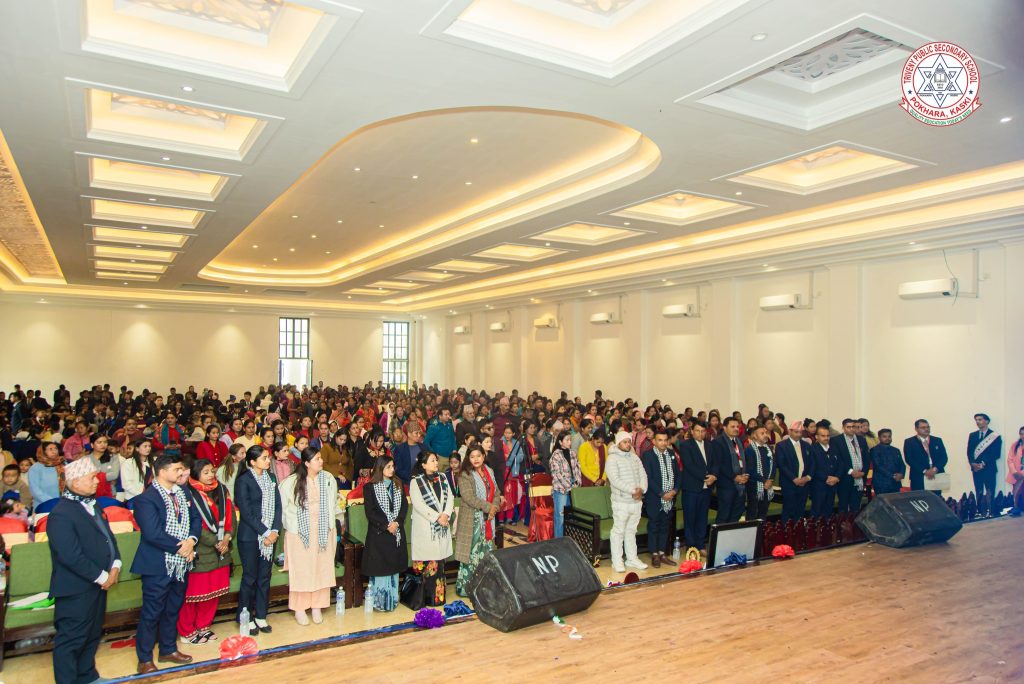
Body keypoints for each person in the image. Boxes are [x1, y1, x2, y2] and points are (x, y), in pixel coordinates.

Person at [47, 457, 121, 684]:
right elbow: (70, 555)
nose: (97, 482)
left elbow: (109, 539)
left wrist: (116, 565)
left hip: (99, 584)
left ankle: (87, 677)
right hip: (76, 588)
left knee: (91, 635)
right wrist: (102, 577)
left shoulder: (94, 504)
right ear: (75, 481)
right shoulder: (61, 513)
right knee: (71, 641)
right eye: (91, 478)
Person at [131, 454, 200, 674]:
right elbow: (152, 533)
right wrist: (183, 548)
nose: (182, 472)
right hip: (158, 564)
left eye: (182, 468)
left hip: (180, 564)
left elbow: (196, 519)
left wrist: (191, 540)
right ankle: (144, 658)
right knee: (152, 612)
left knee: (173, 609)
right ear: (162, 471)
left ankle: (168, 649)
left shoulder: (183, 493)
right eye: (177, 469)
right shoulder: (146, 499)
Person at [280, 446, 339, 625]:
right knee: (302, 569)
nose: (321, 461)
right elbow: (285, 509)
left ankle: (317, 606)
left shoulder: (328, 479)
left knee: (322, 567)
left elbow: (332, 504)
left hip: (322, 530)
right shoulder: (291, 482)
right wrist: (294, 527)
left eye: (321, 458)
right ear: (306, 463)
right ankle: (299, 608)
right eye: (317, 459)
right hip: (300, 533)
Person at [178, 458, 233, 645]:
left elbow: (230, 517)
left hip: (221, 549)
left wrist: (226, 538)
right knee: (193, 594)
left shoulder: (221, 490)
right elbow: (192, 524)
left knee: (213, 593)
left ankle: (203, 626)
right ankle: (187, 630)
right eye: (206, 472)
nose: (211, 475)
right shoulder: (188, 493)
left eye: (212, 471)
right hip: (200, 550)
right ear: (195, 474)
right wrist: (216, 542)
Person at [234, 445, 281, 635]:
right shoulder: (243, 481)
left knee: (264, 577)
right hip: (250, 537)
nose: (268, 461)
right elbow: (246, 512)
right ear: (252, 462)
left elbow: (278, 506)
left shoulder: (270, 478)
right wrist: (265, 532)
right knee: (250, 578)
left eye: (268, 457)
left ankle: (261, 615)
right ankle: (245, 616)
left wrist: (275, 530)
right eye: (264, 458)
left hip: (270, 537)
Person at [362, 456, 409, 611]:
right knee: (381, 569)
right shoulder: (370, 487)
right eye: (388, 467)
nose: (392, 470)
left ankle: (393, 600)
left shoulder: (398, 484)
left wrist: (397, 522)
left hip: (396, 532)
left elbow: (404, 507)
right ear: (380, 468)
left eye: (393, 466)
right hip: (379, 534)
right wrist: (385, 525)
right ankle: (380, 602)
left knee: (393, 568)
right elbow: (370, 512)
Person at [409, 450, 455, 607]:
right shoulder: (416, 481)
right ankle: (426, 597)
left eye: (436, 460)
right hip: (425, 526)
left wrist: (446, 515)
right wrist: (437, 517)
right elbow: (419, 504)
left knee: (439, 562)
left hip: (441, 525)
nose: (436, 463)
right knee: (428, 562)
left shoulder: (442, 477)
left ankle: (438, 598)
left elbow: (450, 497)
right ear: (423, 464)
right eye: (432, 460)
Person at [455, 445, 498, 596]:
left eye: (478, 456)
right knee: (471, 555)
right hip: (472, 520)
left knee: (486, 554)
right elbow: (469, 497)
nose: (475, 459)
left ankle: (483, 586)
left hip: (488, 520)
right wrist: (489, 507)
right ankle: (467, 588)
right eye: (472, 457)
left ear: (483, 456)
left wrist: (494, 508)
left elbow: (496, 492)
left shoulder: (489, 471)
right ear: (468, 458)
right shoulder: (465, 474)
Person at [605, 431, 647, 572]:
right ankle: (617, 561)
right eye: (624, 442)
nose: (628, 444)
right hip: (621, 502)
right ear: (618, 443)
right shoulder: (612, 459)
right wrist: (633, 490)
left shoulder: (635, 458)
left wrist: (641, 489)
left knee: (631, 531)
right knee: (618, 531)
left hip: (636, 501)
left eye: (629, 441)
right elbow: (615, 480)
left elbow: (643, 474)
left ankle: (632, 559)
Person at [641, 427, 679, 567]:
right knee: (654, 525)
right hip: (655, 497)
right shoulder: (648, 455)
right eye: (660, 440)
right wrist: (662, 493)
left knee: (665, 525)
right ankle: (654, 554)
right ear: (654, 441)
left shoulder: (671, 453)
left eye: (665, 440)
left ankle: (662, 552)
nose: (663, 443)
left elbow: (678, 474)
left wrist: (674, 490)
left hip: (670, 497)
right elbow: (648, 478)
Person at [679, 420, 714, 552]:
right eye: (698, 431)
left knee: (702, 517)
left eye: (703, 431)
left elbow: (715, 463)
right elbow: (689, 465)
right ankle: (691, 546)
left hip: (707, 487)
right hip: (692, 487)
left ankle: (700, 544)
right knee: (690, 517)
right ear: (692, 432)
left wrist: (714, 476)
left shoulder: (710, 445)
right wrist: (706, 477)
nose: (700, 434)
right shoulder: (685, 445)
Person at [710, 417, 747, 524]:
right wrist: (734, 476)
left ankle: (731, 538)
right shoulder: (718, 442)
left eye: (737, 427)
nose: (736, 429)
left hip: (740, 484)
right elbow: (719, 464)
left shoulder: (739, 441)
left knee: (737, 513)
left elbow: (743, 461)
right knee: (724, 514)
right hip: (726, 484)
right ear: (725, 428)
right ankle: (719, 540)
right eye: (732, 426)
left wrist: (744, 475)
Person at [832, 418, 870, 513]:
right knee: (843, 506)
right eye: (848, 427)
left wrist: (863, 472)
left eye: (853, 426)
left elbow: (866, 458)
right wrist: (851, 471)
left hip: (860, 478)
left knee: (856, 506)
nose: (851, 429)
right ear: (843, 428)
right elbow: (838, 460)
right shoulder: (836, 440)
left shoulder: (861, 440)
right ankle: (842, 525)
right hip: (845, 478)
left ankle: (853, 526)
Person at [548, 431, 581, 539]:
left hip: (573, 487)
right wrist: (570, 487)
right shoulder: (555, 455)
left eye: (570, 440)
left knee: (570, 516)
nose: (570, 442)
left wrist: (577, 482)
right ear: (560, 442)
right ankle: (558, 541)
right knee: (560, 517)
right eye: (567, 440)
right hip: (561, 489)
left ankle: (568, 539)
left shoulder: (572, 453)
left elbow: (577, 469)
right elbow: (557, 474)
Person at [903, 419, 948, 495]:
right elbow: (909, 459)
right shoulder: (909, 442)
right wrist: (925, 471)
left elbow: (944, 457)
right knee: (919, 499)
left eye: (928, 427)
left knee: (935, 501)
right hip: (919, 476)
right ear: (916, 429)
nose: (926, 429)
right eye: (923, 427)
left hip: (936, 475)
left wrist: (934, 469)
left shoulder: (937, 440)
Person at [744, 424, 776, 521]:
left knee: (763, 512)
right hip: (755, 486)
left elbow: (774, 465)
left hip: (768, 485)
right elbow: (750, 469)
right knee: (753, 512)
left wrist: (770, 480)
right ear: (754, 436)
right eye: (762, 433)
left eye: (766, 433)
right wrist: (764, 481)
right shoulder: (750, 449)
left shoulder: (768, 448)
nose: (765, 435)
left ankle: (761, 533)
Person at [967, 413, 1002, 502]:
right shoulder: (972, 435)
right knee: (978, 491)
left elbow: (996, 453)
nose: (977, 422)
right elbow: (969, 452)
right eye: (976, 420)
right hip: (976, 469)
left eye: (980, 419)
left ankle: (990, 511)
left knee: (990, 491)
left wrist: (983, 463)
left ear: (986, 421)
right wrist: (973, 464)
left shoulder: (995, 436)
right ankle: (979, 511)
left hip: (989, 468)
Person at [809, 425, 841, 518]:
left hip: (832, 486)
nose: (826, 438)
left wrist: (837, 477)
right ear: (816, 437)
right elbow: (813, 468)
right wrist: (826, 478)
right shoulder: (812, 449)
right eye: (823, 436)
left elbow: (841, 464)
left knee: (828, 511)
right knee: (817, 511)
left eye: (827, 436)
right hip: (818, 486)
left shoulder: (834, 449)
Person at [869, 429, 905, 495]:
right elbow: (878, 466)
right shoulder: (874, 450)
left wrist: (901, 474)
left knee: (895, 503)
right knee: (882, 504)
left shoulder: (896, 450)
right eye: (884, 436)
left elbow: (902, 464)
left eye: (889, 436)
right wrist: (892, 475)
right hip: (881, 483)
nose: (887, 438)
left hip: (895, 482)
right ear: (879, 438)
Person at [29, 441, 64, 506]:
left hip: (63, 504)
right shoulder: (36, 468)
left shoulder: (62, 464)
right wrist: (52, 502)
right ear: (43, 452)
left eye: (56, 448)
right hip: (43, 505)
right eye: (50, 449)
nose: (54, 451)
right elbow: (35, 490)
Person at [1006, 426, 1024, 515]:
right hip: (1016, 474)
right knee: (1017, 493)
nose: (1023, 436)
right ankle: (1017, 508)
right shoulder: (1015, 445)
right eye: (1021, 434)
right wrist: (1015, 472)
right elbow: (1010, 460)